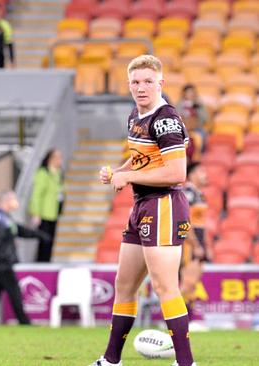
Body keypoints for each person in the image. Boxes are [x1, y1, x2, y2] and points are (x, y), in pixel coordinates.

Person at [91, 55, 196, 366]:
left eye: (148, 81)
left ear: (160, 83)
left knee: (165, 287)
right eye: (135, 82)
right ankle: (111, 360)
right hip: (142, 205)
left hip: (164, 203)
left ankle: (186, 363)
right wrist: (118, 171)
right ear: (129, 85)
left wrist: (129, 177)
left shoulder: (166, 119)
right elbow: (142, 159)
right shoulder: (135, 115)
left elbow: (178, 173)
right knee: (124, 285)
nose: (141, 87)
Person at [0, 191, 44, 325]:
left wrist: (39, 235)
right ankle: (24, 321)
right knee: (14, 291)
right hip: (0, 263)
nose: (17, 202)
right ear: (8, 201)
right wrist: (4, 258)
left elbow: (20, 230)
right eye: (14, 199)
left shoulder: (5, 218)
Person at [181, 163, 208, 318]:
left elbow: (202, 222)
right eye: (201, 171)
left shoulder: (200, 194)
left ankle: (188, 320)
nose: (205, 174)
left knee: (193, 283)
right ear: (191, 175)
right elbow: (185, 220)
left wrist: (206, 244)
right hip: (190, 242)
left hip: (199, 239)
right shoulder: (188, 193)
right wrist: (196, 244)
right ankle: (175, 319)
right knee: (187, 282)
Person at [28, 149, 64, 262]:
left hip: (53, 213)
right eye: (57, 157)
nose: (60, 160)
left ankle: (47, 262)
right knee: (43, 241)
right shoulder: (43, 173)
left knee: (50, 242)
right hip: (44, 213)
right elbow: (36, 194)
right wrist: (36, 213)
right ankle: (40, 262)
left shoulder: (58, 174)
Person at [176, 84, 208, 163]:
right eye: (188, 92)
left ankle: (199, 154)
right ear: (184, 94)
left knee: (202, 134)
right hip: (183, 128)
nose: (191, 94)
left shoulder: (199, 104)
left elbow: (205, 119)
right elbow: (176, 117)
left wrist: (198, 107)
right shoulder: (179, 104)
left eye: (192, 93)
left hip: (196, 128)